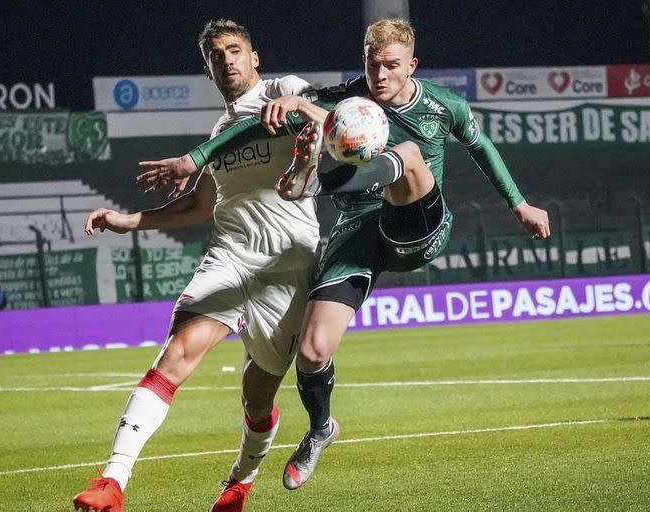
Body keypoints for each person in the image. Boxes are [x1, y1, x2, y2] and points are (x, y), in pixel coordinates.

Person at [141, 18, 550, 492]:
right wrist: (198, 157)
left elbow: (483, 150)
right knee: (312, 353)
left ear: (411, 66)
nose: (380, 75)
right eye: (373, 64)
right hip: (359, 229)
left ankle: (338, 178)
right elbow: (256, 123)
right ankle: (320, 430)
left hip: (419, 224)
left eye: (392, 66)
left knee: (411, 154)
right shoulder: (347, 97)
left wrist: (518, 204)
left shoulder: (445, 104)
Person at [71, 19, 320, 512]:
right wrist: (127, 220)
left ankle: (239, 484)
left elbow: (337, 118)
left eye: (235, 50)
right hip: (229, 255)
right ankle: (113, 481)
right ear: (208, 70)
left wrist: (301, 105)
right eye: (216, 55)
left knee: (258, 397)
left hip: (288, 265)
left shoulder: (285, 90)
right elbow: (194, 206)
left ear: (255, 58)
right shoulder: (221, 132)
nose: (226, 59)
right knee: (178, 350)